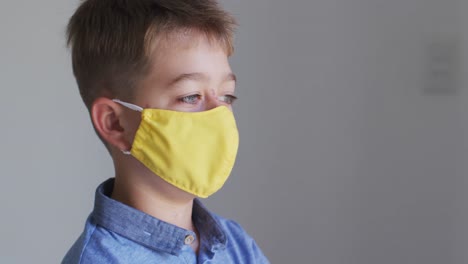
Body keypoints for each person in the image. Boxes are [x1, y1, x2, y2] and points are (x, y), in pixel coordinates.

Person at [62, 0, 269, 263]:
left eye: (227, 96)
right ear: (116, 123)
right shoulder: (100, 258)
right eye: (192, 96)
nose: (219, 115)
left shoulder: (236, 244)